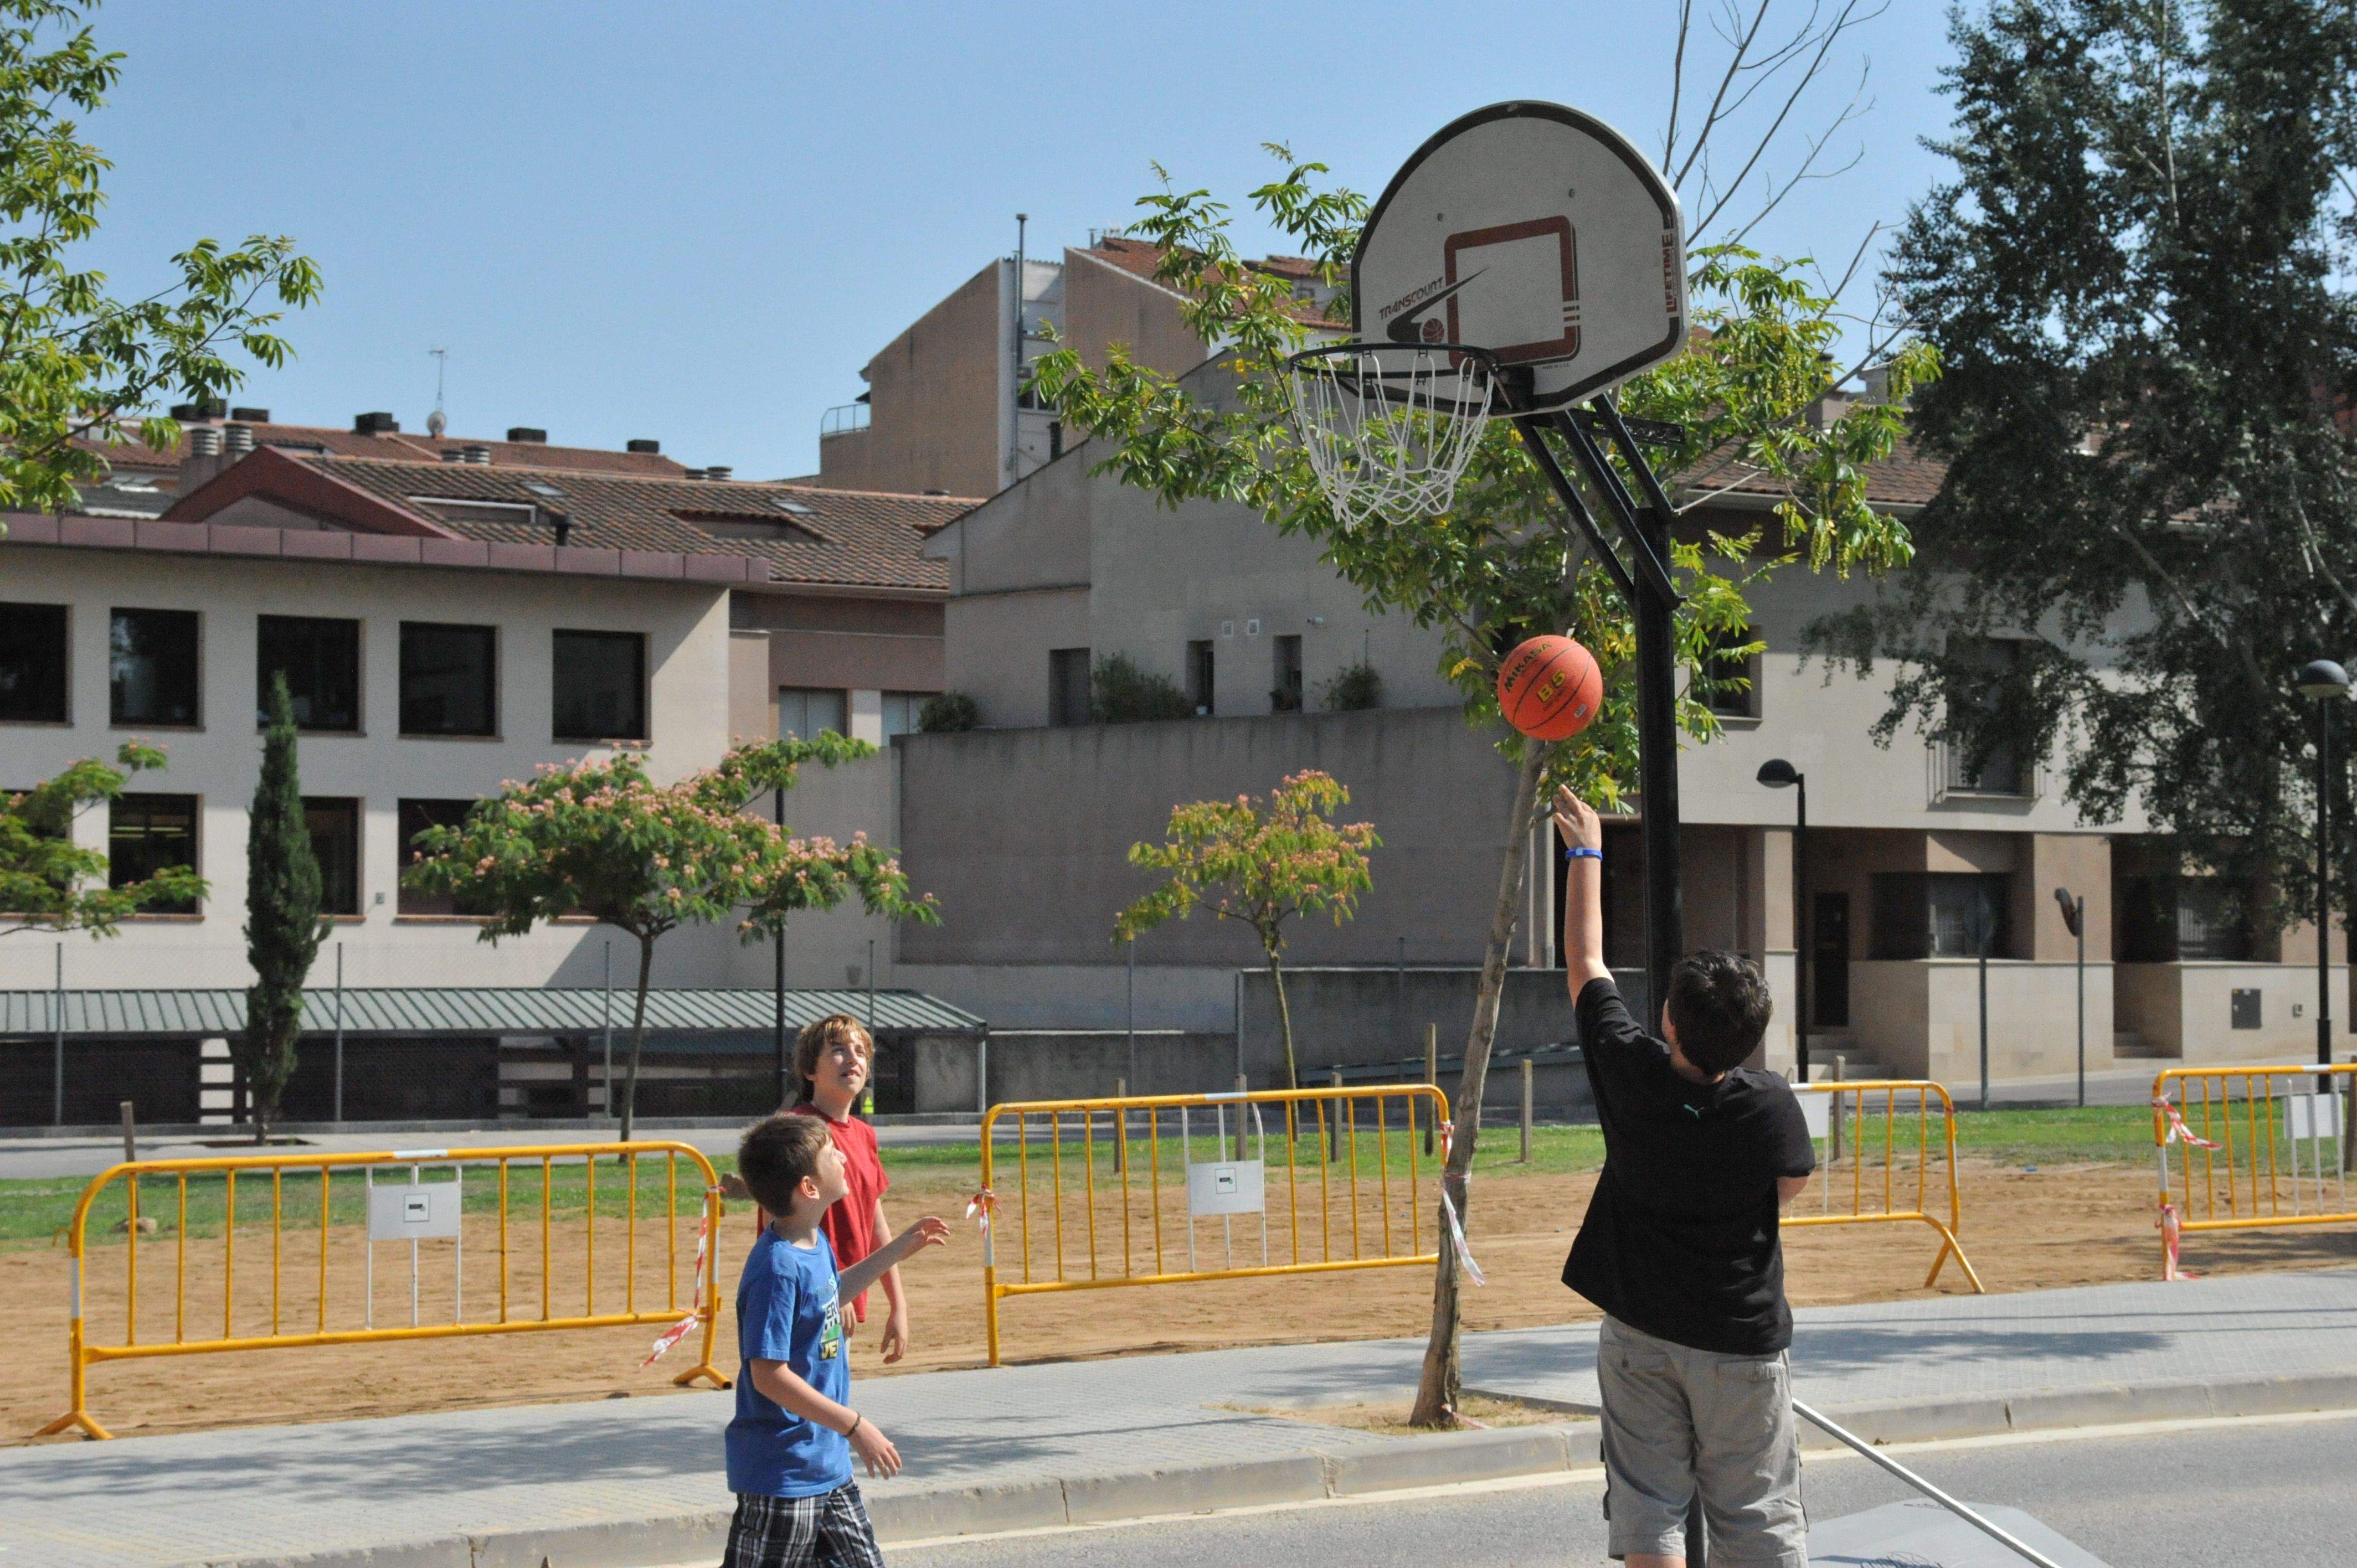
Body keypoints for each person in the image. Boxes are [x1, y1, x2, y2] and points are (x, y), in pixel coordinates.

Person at [1553, 786, 1815, 1568]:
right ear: (1751, 1038)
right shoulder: (1769, 1105)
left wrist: (1587, 851)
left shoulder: (1629, 1071)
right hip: (1738, 1338)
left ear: (1667, 1020)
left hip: (1640, 1330)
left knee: (1649, 1511)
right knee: (1756, 1518)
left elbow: (1585, 963)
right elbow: (1788, 1188)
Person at [722, 1111, 949, 1568]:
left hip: (828, 1465)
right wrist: (855, 1426)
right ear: (809, 1188)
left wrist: (897, 1250)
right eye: (831, 1154)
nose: (843, 1157)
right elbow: (768, 1376)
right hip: (784, 1474)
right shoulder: (777, 1269)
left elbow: (828, 1295)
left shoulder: (813, 1242)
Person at [789, 1015, 911, 1363]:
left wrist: (898, 1305)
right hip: (809, 1298)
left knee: (832, 1388)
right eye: (838, 1051)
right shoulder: (797, 1130)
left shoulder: (864, 1134)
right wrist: (829, 1288)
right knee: (810, 1389)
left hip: (845, 1295)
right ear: (810, 1071)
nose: (853, 1058)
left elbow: (875, 1225)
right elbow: (780, 1222)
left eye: (861, 1051)